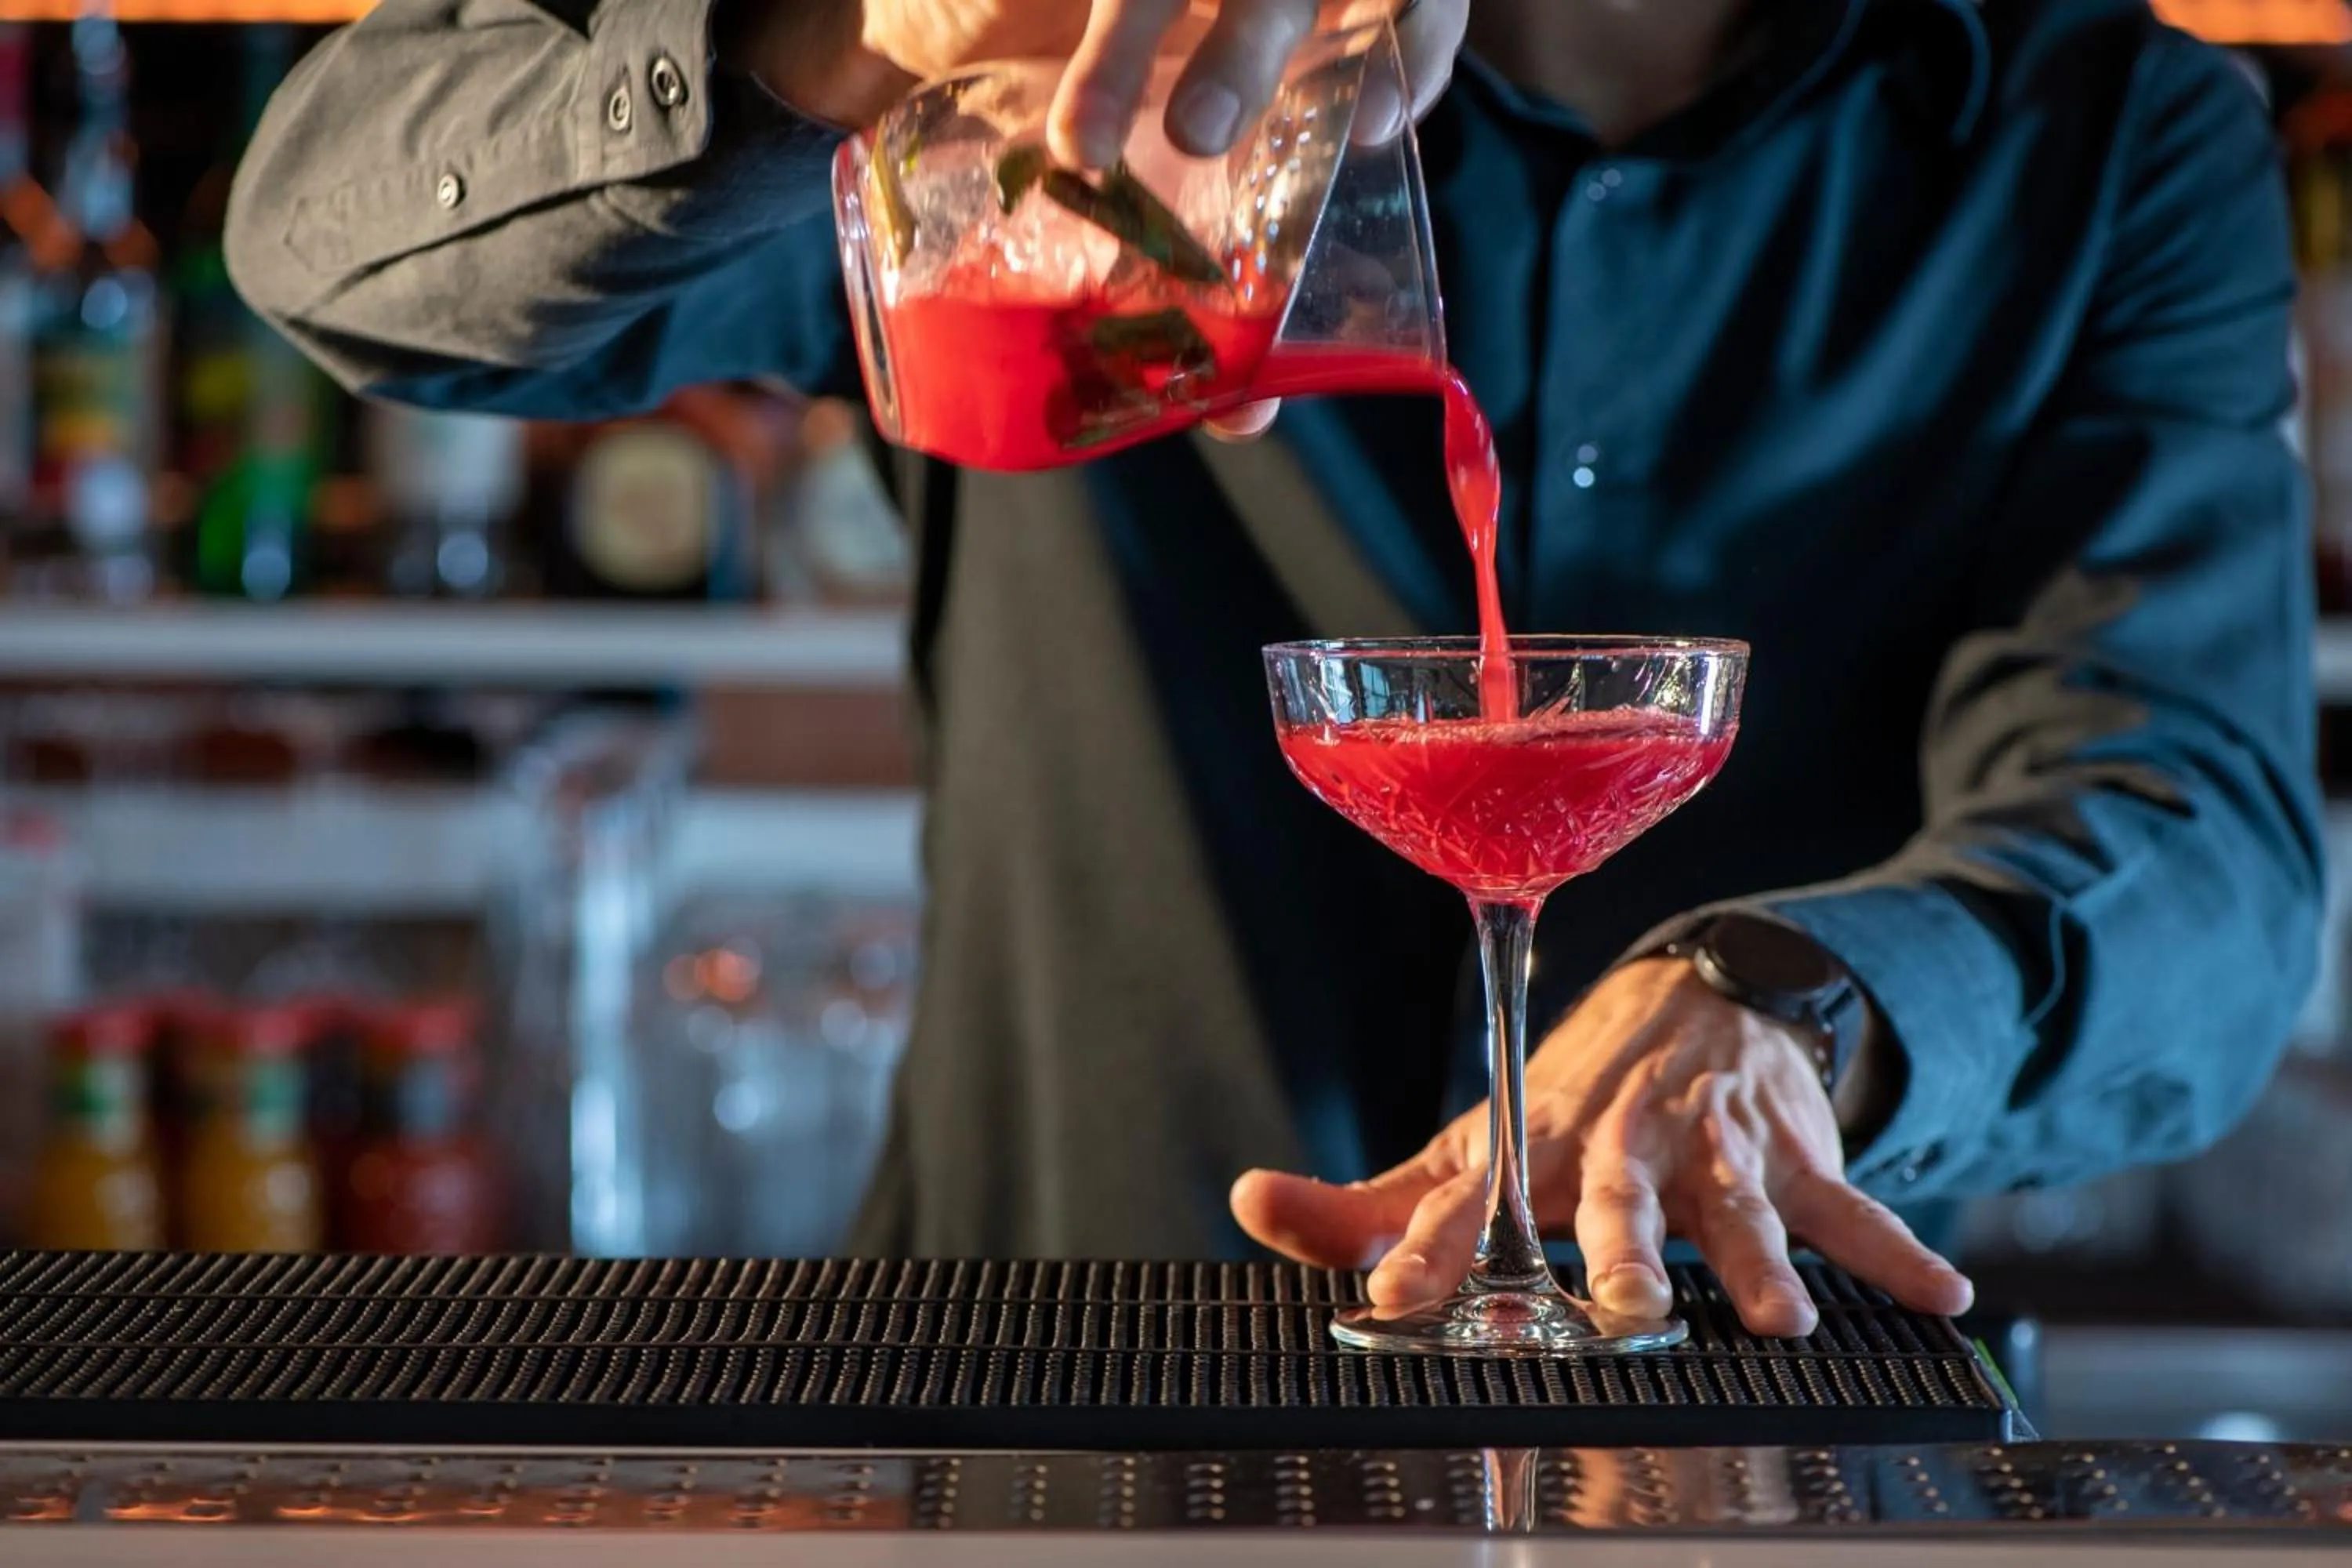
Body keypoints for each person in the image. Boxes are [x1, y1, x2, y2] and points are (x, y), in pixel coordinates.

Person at [226, 0, 2321, 1339]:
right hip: (1041, 1412)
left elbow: (2202, 851)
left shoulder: (2108, 134)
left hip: (1760, 1421)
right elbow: (328, 246)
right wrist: (843, 35)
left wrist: (1805, 1007)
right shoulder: (1082, 72)